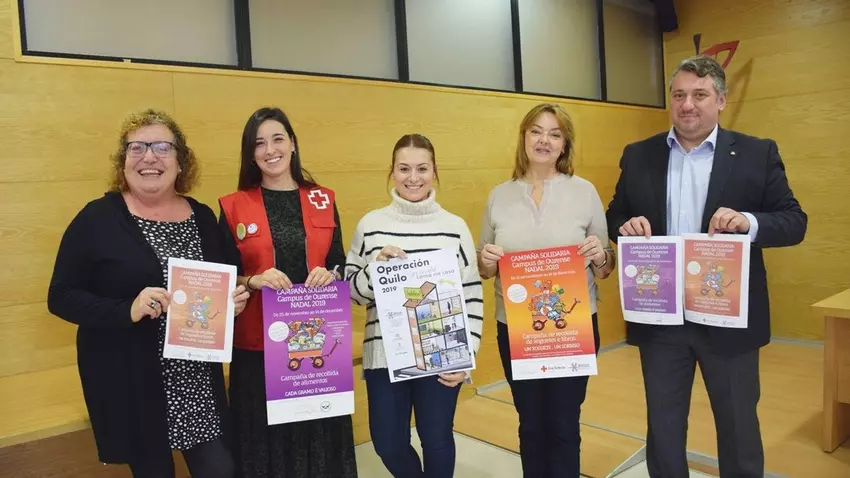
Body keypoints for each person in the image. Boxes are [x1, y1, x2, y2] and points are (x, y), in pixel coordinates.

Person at [605, 55, 807, 477]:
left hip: (727, 318)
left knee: (738, 427)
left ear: (721, 100)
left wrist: (748, 222)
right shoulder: (639, 155)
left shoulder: (756, 152)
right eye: (679, 95)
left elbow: (793, 221)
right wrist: (625, 227)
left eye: (700, 95)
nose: (687, 105)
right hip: (660, 317)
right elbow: (615, 215)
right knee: (663, 428)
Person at [47, 109, 250, 477]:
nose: (149, 157)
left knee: (221, 469)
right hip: (133, 383)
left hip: (196, 380)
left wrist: (231, 302)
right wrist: (127, 309)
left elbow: (228, 278)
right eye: (136, 147)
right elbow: (60, 295)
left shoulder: (203, 217)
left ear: (180, 160)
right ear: (123, 161)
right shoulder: (97, 219)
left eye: (161, 147)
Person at [218, 107, 357, 477]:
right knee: (267, 449)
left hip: (317, 348)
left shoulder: (323, 199)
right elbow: (223, 277)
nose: (270, 150)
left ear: (293, 144)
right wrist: (253, 280)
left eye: (278, 139)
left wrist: (331, 274)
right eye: (259, 143)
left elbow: (339, 262)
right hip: (258, 351)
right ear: (251, 154)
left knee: (319, 443)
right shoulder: (234, 206)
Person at [477, 103, 615, 478]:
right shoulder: (499, 195)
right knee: (531, 423)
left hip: (573, 328)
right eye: (536, 131)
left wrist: (600, 255)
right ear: (524, 137)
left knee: (564, 424)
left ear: (564, 143)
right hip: (516, 329)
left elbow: (604, 268)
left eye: (555, 134)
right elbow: (484, 268)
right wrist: (486, 260)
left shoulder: (584, 192)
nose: (544, 140)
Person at [345, 134, 484, 478]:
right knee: (387, 443)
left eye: (422, 168)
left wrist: (467, 355)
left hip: (441, 354)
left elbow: (471, 293)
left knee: (437, 440)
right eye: (404, 168)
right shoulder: (370, 225)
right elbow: (351, 292)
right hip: (384, 355)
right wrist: (375, 269)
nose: (413, 177)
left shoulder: (454, 228)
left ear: (435, 171)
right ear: (392, 172)